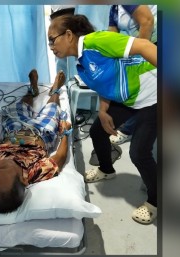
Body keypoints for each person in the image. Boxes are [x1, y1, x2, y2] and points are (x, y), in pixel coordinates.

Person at [48, 14, 157, 224]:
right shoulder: (81, 63)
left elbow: (144, 45)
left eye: (53, 39)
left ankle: (156, 201)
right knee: (97, 130)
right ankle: (106, 170)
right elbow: (106, 82)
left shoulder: (96, 41)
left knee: (139, 152)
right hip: (129, 98)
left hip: (153, 96)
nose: (51, 46)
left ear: (69, 35)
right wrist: (103, 110)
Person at [0, 69, 72, 214]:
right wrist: (65, 133)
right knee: (52, 110)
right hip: (40, 133)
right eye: (3, 169)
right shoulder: (33, 172)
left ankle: (32, 92)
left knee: (19, 108)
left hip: (14, 131)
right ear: (23, 180)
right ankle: (55, 92)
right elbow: (59, 159)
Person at [108, 5, 158, 145]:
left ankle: (128, 129)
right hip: (144, 44)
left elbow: (147, 21)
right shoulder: (114, 9)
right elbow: (111, 36)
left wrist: (138, 59)